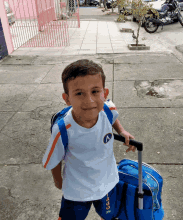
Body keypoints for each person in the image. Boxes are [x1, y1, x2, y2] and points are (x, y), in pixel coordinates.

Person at [42, 59, 136, 220]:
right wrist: (58, 182)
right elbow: (53, 160)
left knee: (109, 215)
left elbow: (112, 118)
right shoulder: (63, 130)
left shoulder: (107, 109)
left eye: (95, 91)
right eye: (79, 93)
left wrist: (122, 130)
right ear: (67, 98)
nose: (89, 100)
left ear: (104, 94)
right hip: (77, 190)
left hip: (107, 182)